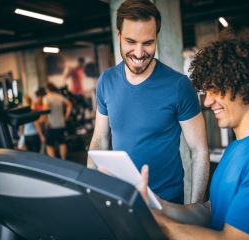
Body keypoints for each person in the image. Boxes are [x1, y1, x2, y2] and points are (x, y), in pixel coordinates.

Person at [139, 29, 249, 240]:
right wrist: (154, 204)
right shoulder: (238, 146)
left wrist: (157, 222)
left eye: (215, 89)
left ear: (246, 84)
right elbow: (210, 212)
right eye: (206, 92)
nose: (206, 102)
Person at [88, 0, 209, 204]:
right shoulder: (106, 81)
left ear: (156, 38)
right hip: (122, 199)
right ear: (119, 36)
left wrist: (195, 208)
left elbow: (199, 150)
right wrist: (90, 190)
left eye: (147, 43)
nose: (138, 53)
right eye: (131, 42)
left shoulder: (179, 86)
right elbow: (99, 140)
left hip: (167, 203)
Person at [43, 83, 72, 160]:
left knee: (49, 144)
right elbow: (69, 104)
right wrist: (66, 116)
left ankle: (53, 161)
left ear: (47, 89)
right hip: (61, 123)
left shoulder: (46, 98)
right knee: (62, 142)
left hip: (51, 124)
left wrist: (45, 120)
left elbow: (45, 111)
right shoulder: (60, 97)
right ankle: (63, 159)